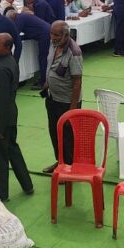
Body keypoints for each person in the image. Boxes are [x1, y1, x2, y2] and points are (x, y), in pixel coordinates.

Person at [0, 33, 33, 201]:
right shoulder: (9, 61)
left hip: (1, 119)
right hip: (10, 115)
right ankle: (27, 184)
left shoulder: (1, 69)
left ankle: (1, 193)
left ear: (7, 48)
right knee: (13, 150)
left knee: (0, 157)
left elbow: (0, 100)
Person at [41, 21, 83, 174]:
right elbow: (51, 66)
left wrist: (72, 110)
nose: (53, 37)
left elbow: (77, 82)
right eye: (51, 34)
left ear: (66, 35)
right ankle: (60, 162)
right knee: (54, 133)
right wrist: (47, 85)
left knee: (68, 137)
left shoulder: (74, 52)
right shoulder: (53, 44)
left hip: (67, 103)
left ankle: (69, 168)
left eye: (57, 35)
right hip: (52, 98)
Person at [7, 8, 51, 87]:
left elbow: (15, 33)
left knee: (43, 57)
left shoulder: (19, 18)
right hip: (45, 32)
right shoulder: (22, 17)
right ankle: (44, 79)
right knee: (43, 57)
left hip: (44, 35)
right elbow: (28, 32)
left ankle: (43, 81)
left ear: (12, 18)